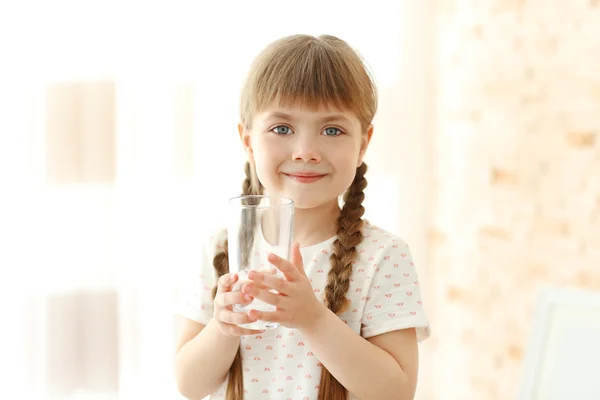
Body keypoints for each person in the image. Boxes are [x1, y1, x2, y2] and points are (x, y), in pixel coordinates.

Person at [173, 33, 430, 400]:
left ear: (363, 143)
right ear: (248, 141)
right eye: (282, 128)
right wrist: (222, 327)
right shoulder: (220, 248)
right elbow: (189, 385)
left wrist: (313, 318)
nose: (306, 151)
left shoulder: (382, 256)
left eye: (332, 130)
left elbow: (396, 391)